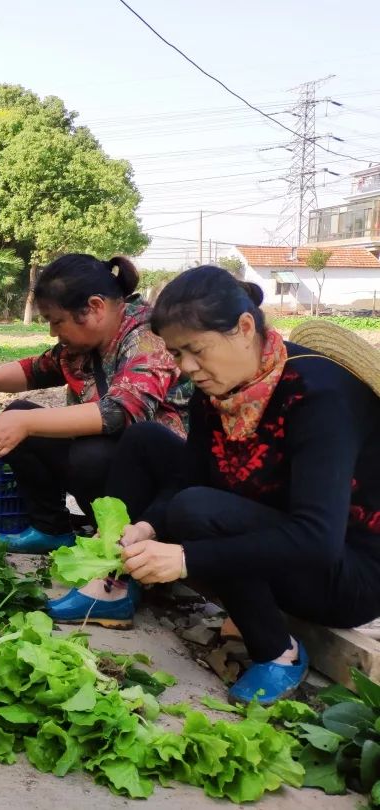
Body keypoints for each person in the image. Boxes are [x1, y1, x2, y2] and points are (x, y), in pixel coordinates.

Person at [50, 265, 380, 704]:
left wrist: (187, 559)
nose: (187, 369)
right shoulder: (221, 386)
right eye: (177, 353)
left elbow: (317, 539)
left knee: (198, 510)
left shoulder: (320, 399)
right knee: (145, 439)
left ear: (244, 328)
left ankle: (277, 651)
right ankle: (115, 582)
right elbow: (191, 475)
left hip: (345, 571)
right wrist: (148, 527)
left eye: (195, 351)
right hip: (270, 521)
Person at [0, 253, 189, 552]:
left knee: (87, 452)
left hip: (163, 482)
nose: (53, 332)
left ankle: (128, 543)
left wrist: (28, 423)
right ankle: (51, 528)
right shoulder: (84, 345)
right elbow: (36, 370)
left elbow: (122, 410)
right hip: (111, 464)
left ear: (95, 307)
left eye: (57, 321)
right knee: (18, 413)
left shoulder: (147, 336)